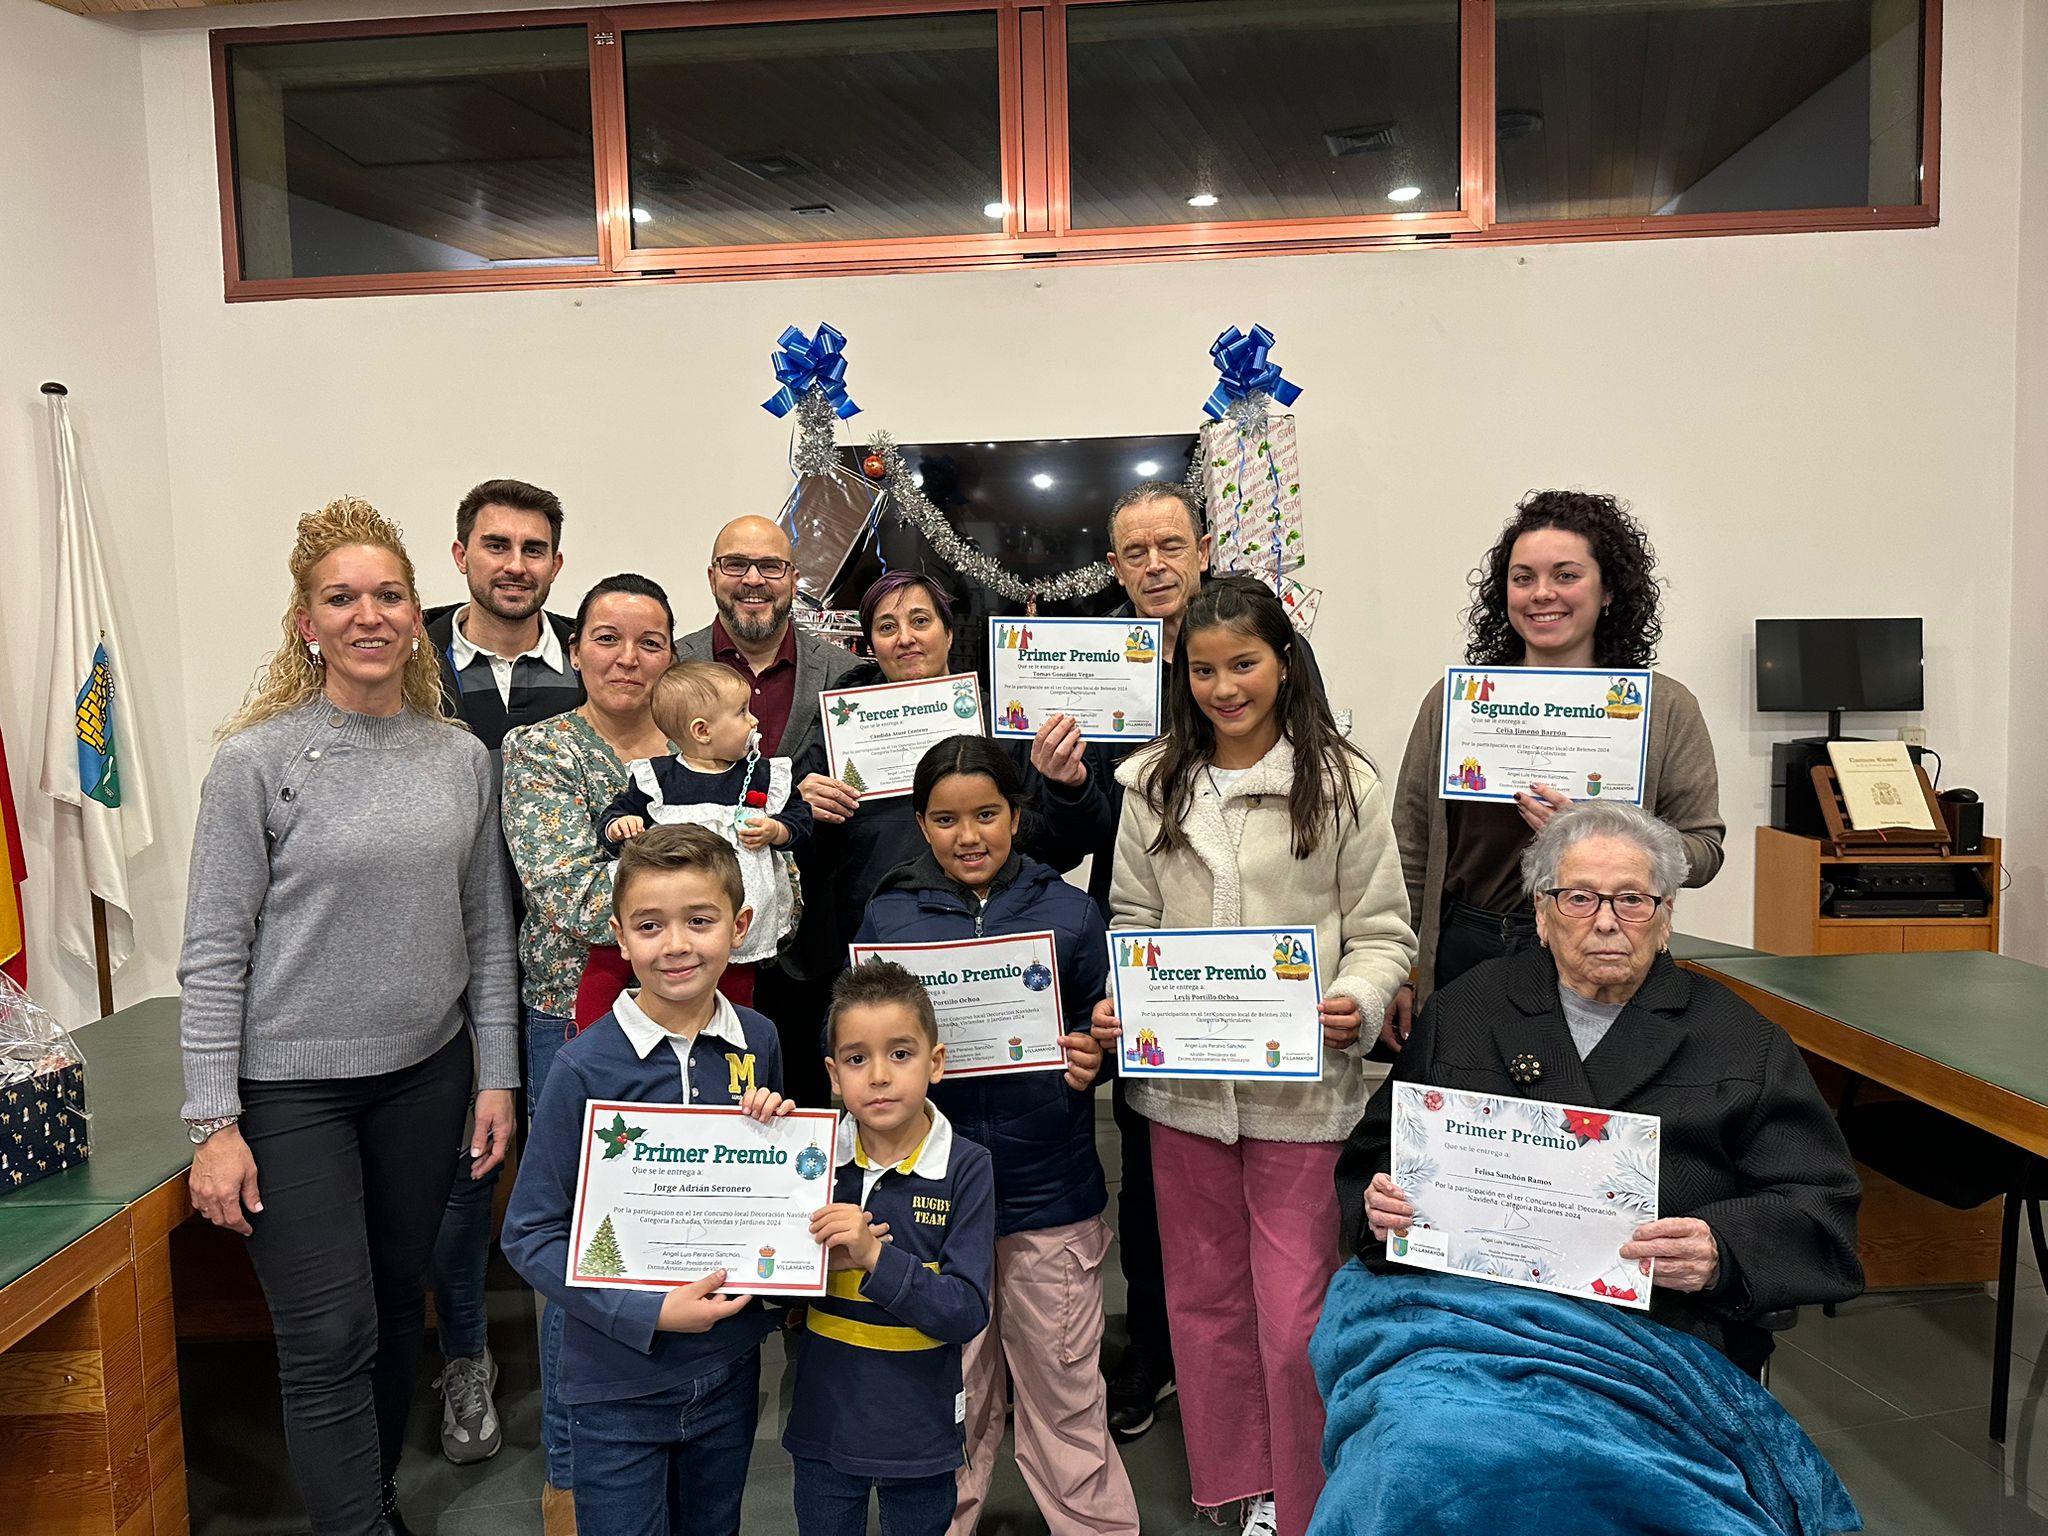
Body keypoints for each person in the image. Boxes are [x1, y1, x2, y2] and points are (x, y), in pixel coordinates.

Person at [179, 496, 519, 1536]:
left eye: (387, 595)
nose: (367, 615)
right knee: (327, 1333)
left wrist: (495, 1072)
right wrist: (213, 1122)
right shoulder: (257, 762)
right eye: (341, 598)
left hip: (427, 1079)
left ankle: (366, 1505)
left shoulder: (459, 757)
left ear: (418, 613)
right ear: (305, 622)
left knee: (385, 1313)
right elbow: (212, 948)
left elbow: (487, 933)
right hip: (292, 1093)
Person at [1090, 578, 1415, 1536]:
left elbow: (1383, 931)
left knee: (1295, 1314)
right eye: (1202, 670)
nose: (1224, 687)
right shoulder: (1151, 785)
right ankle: (1234, 1487)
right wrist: (1127, 999)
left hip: (1302, 1097)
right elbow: (1133, 921)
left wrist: (1354, 998)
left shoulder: (1342, 781)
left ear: (1282, 662)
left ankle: (1306, 1495)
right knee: (1202, 1305)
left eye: (1243, 664)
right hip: (1184, 1093)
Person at [1342, 799, 1864, 1375]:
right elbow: (1374, 1157)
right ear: (1542, 913)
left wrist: (1721, 1252)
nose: (1607, 921)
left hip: (1661, 1336)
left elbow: (1822, 1211)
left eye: (1633, 900)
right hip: (1469, 1318)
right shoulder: (1465, 1011)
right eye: (1580, 898)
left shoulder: (1742, 1041)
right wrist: (1380, 1207)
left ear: (1665, 920)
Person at [1041, 480, 1329, 1440]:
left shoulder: (1257, 643)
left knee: (1278, 1211)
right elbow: (1081, 839)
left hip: (1270, 990)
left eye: (1170, 544)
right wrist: (1071, 781)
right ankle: (1162, 1357)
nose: (1155, 565)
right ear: (1114, 568)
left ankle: (1270, 1369)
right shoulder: (1093, 668)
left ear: (1203, 548)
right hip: (1161, 973)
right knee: (1166, 1183)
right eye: (1134, 552)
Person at [854, 739, 1136, 1536]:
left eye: (986, 815)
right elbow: (861, 1041)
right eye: (945, 820)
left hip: (1049, 1193)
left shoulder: (1072, 912)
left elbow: (1104, 1024)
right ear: (920, 824)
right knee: (956, 1391)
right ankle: (947, 1521)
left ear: (1017, 816)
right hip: (931, 1203)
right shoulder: (889, 916)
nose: (967, 835)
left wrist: (1095, 1052)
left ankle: (1095, 1524)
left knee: (1065, 1382)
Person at [503, 824, 795, 1536]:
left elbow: (776, 1200)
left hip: (728, 1369)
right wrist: (645, 1312)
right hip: (616, 1384)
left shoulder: (759, 1041)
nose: (676, 945)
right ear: (619, 937)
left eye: (700, 921)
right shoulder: (584, 1068)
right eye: (650, 925)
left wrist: (778, 1135)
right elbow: (530, 1233)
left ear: (741, 925)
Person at [1385, 491, 1725, 1041]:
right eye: (1523, 578)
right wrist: (1400, 970)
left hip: (1602, 948)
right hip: (1466, 947)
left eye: (1566, 575)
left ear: (1608, 588)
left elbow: (1704, 852)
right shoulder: (1458, 704)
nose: (1542, 593)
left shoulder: (1665, 708)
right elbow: (1409, 848)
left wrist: (1613, 834)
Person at [501, 572, 677, 1529]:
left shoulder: (714, 750)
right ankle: (571, 1467)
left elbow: (772, 895)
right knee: (584, 1247)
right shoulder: (538, 751)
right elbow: (571, 895)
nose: (626, 659)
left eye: (648, 642)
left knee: (683, 1216)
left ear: (672, 656)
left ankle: (671, 1432)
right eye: (607, 639)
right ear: (575, 649)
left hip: (704, 1026)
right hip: (573, 1022)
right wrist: (699, 917)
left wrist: (707, 917)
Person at [421, 477, 581, 1468]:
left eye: (532, 548)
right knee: (462, 1177)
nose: (514, 564)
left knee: (568, 1171)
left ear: (555, 564)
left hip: (570, 969)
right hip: (446, 967)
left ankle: (581, 1364)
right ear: (461, 556)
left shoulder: (599, 657)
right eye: (496, 545)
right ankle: (466, 1355)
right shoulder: (410, 664)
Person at [784, 959, 997, 1536]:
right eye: (857, 1059)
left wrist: (876, 1259)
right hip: (824, 1424)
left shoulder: (968, 1167)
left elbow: (966, 1312)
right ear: (833, 1075)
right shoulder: (808, 1158)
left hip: (919, 1433)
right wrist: (760, 1139)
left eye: (900, 1054)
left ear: (936, 1063)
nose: (878, 1075)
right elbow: (766, 1288)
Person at [801, 571, 1111, 953]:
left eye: (920, 621)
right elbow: (809, 852)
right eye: (886, 627)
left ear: (948, 632)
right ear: (872, 644)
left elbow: (1069, 845)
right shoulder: (838, 726)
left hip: (1004, 933)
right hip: (883, 936)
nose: (905, 638)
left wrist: (1070, 787)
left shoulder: (1003, 723)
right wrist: (801, 806)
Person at [678, 515, 863, 1108]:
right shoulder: (672, 669)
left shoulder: (844, 672)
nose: (753, 580)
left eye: (771, 567)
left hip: (806, 948)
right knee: (699, 1106)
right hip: (695, 940)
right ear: (712, 576)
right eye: (736, 565)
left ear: (794, 578)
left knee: (800, 1107)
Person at [591, 660, 811, 1013]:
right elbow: (615, 815)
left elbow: (800, 819)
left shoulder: (764, 775)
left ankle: (733, 1040)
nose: (754, 720)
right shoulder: (658, 779)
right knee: (633, 974)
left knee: (736, 986)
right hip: (666, 907)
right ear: (702, 731)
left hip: (735, 908)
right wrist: (620, 826)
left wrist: (777, 830)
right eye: (742, 712)